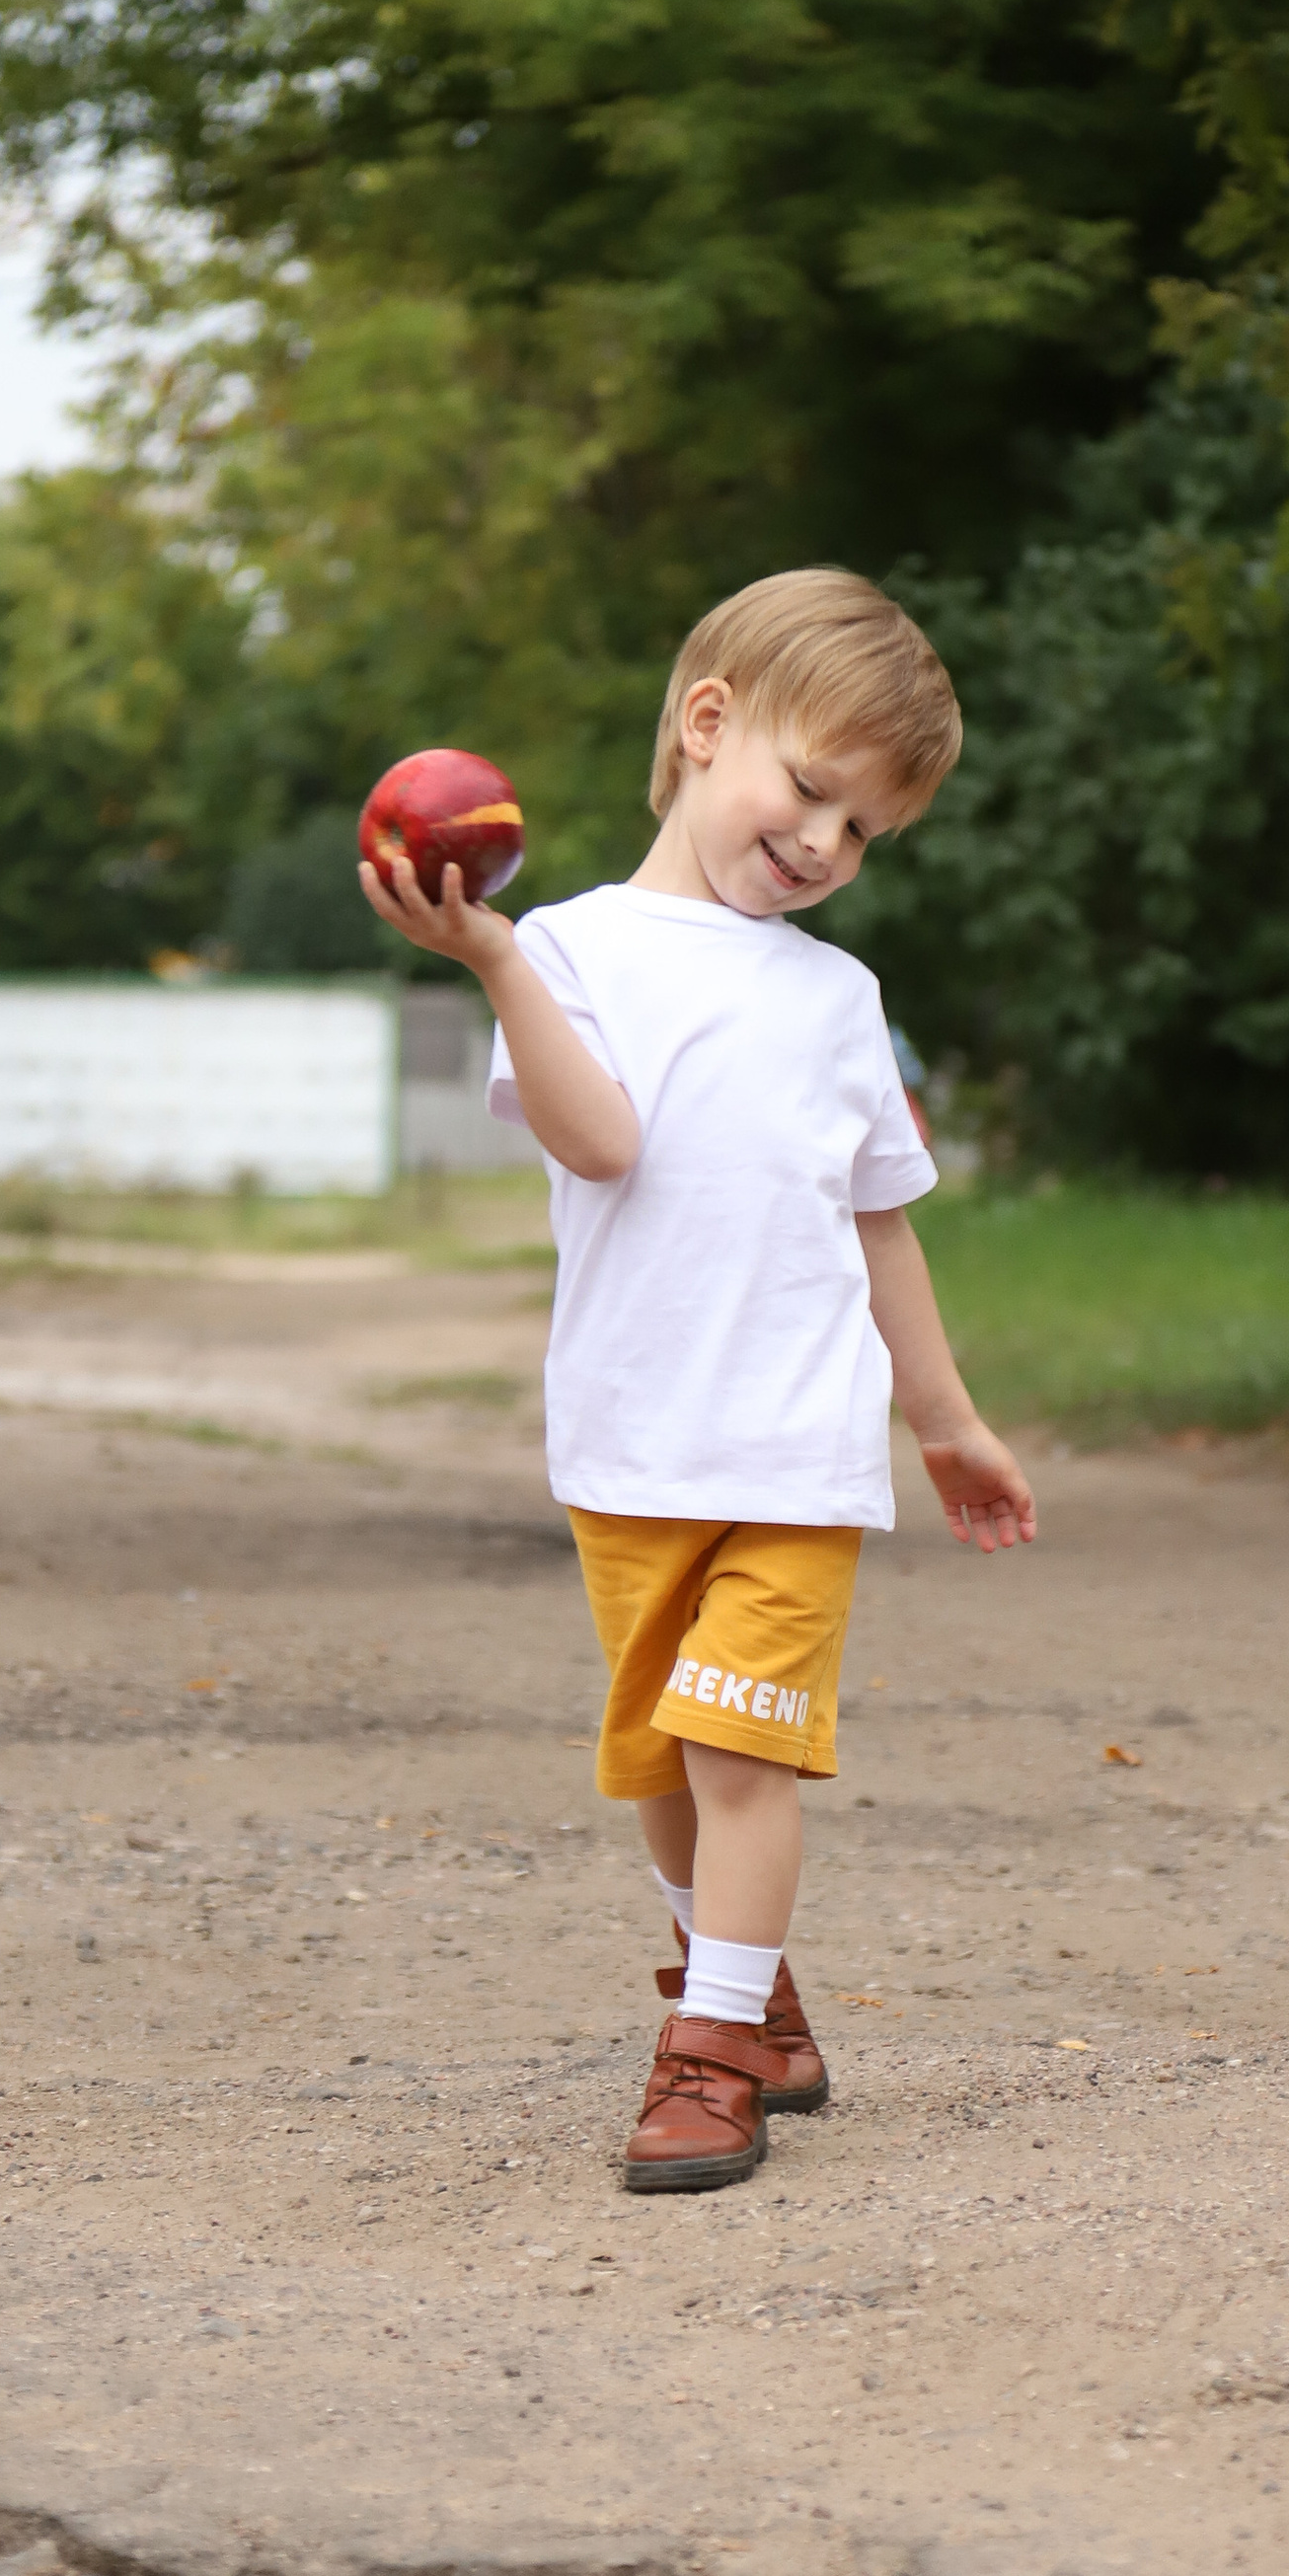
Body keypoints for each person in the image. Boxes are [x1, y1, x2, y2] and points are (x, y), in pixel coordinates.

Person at [357, 568, 1035, 2192]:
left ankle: (710, 2058)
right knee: (666, 1769)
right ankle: (764, 1999)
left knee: (740, 1758)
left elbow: (881, 1234)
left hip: (791, 1460)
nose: (822, 846)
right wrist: (502, 966)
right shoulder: (573, 952)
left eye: (863, 833)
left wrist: (943, 1421)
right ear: (709, 724)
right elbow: (604, 1143)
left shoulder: (840, 1001)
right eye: (809, 790)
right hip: (630, 1446)